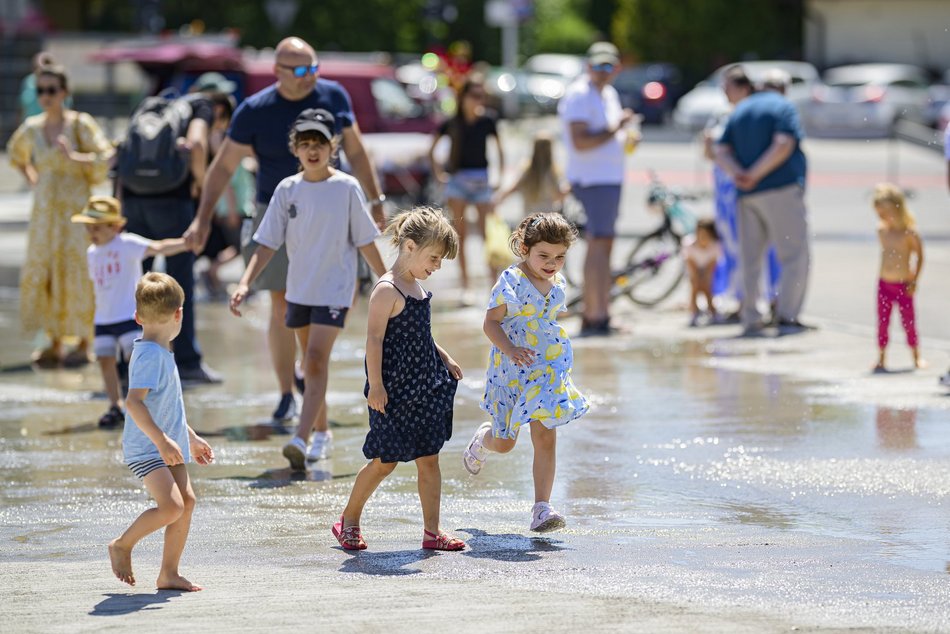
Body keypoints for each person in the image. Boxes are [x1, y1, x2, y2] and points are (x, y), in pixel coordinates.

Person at [186, 36, 387, 423]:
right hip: (276, 210)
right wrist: (203, 216)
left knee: (338, 300)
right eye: (299, 70)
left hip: (331, 209)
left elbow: (357, 151)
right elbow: (223, 168)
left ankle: (310, 368)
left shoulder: (334, 96)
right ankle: (286, 393)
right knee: (282, 304)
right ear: (277, 72)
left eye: (313, 67)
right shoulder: (254, 110)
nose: (310, 76)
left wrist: (375, 202)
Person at [229, 108, 387, 470]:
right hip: (298, 290)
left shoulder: (346, 188)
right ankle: (322, 432)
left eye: (319, 143)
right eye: (305, 144)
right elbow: (266, 243)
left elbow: (365, 240)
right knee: (310, 366)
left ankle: (301, 438)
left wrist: (387, 280)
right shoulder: (287, 190)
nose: (312, 150)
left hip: (335, 290)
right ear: (295, 149)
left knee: (315, 360)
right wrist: (244, 282)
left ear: (332, 147)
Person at [333, 207, 465, 551]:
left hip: (424, 387)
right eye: (434, 258)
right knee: (384, 461)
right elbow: (373, 340)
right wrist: (375, 386)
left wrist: (444, 356)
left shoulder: (416, 286)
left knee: (429, 458)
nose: (437, 266)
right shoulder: (387, 290)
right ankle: (348, 520)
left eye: (440, 261)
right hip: (392, 391)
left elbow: (420, 334)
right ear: (409, 246)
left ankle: (432, 532)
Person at [462, 212, 590, 532]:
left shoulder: (557, 282)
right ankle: (482, 439)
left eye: (559, 257)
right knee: (505, 443)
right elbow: (490, 323)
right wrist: (510, 349)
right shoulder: (511, 281)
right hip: (511, 369)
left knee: (545, 434)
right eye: (544, 255)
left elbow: (545, 320)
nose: (552, 263)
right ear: (524, 248)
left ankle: (541, 508)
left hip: (546, 369)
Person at [107, 272, 215, 591]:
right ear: (179, 313)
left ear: (138, 316)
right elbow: (134, 403)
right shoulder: (150, 355)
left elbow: (168, 407)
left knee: (187, 501)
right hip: (148, 448)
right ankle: (122, 545)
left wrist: (189, 437)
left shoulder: (160, 352)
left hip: (168, 444)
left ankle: (168, 573)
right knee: (172, 507)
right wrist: (162, 440)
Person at [7, 63, 114, 367]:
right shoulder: (32, 127)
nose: (46, 96)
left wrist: (74, 157)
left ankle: (84, 341)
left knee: (79, 270)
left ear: (64, 92)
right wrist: (32, 176)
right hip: (45, 213)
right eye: (41, 90)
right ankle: (53, 341)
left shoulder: (81, 124)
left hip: (77, 211)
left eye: (52, 90)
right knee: (48, 271)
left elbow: (106, 156)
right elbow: (16, 153)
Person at [119, 79, 220, 384]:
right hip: (172, 202)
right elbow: (198, 144)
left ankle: (127, 364)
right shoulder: (201, 107)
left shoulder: (151, 105)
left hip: (135, 201)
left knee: (136, 284)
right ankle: (188, 361)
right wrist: (200, 187)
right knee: (180, 282)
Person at [71, 196, 190, 428]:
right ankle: (115, 406)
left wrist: (186, 243)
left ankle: (145, 405)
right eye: (88, 227)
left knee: (136, 361)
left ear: (115, 226)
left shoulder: (127, 244)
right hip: (103, 318)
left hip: (128, 315)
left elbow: (158, 247)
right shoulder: (92, 252)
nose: (91, 232)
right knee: (106, 360)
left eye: (96, 227)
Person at [715, 64, 811, 336]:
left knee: (750, 258)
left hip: (746, 196)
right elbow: (783, 144)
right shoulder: (783, 107)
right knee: (793, 255)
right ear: (783, 88)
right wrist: (756, 173)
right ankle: (787, 316)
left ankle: (751, 317)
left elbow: (720, 150)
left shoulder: (741, 109)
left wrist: (740, 174)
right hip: (780, 190)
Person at [558, 41, 635, 336]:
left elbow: (607, 135)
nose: (603, 71)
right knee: (598, 245)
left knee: (605, 244)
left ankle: (602, 311)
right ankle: (594, 314)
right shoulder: (579, 95)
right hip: (592, 180)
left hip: (608, 178)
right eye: (598, 66)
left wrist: (625, 137)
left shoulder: (609, 93)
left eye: (609, 66)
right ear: (588, 66)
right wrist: (617, 128)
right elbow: (581, 141)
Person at [703, 66, 780, 319]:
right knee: (732, 245)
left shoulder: (754, 114)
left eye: (729, 86)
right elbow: (710, 153)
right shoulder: (721, 114)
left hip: (745, 186)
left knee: (759, 245)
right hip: (724, 190)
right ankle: (741, 298)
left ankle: (768, 298)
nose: (724, 91)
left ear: (743, 88)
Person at [428, 75, 505, 302]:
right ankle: (466, 286)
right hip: (458, 179)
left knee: (487, 234)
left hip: (481, 179)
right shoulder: (452, 122)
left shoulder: (488, 120)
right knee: (459, 235)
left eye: (482, 96)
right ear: (463, 97)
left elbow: (500, 149)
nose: (478, 100)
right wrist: (438, 175)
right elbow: (431, 149)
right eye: (474, 95)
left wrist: (499, 176)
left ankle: (494, 285)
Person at [198, 91, 252, 300]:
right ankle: (213, 271)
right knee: (241, 247)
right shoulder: (218, 140)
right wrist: (230, 209)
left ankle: (214, 273)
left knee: (239, 246)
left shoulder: (219, 138)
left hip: (232, 205)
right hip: (233, 206)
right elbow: (227, 179)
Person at [872, 184, 924, 371]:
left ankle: (916, 356)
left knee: (909, 321)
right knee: (883, 322)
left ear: (897, 208)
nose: (882, 218)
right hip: (884, 283)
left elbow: (919, 256)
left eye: (884, 213)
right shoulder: (882, 231)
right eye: (879, 214)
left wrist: (914, 279)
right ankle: (881, 357)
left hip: (903, 284)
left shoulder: (910, 233)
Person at [493, 132, 568, 216]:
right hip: (549, 218)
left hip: (529, 217)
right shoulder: (554, 171)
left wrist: (498, 199)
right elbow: (560, 194)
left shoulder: (527, 170)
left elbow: (513, 188)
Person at [683, 219, 723, 327]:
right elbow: (690, 263)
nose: (702, 238)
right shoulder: (689, 244)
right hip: (693, 270)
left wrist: (706, 276)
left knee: (707, 288)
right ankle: (694, 311)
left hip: (709, 272)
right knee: (695, 287)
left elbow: (712, 265)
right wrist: (697, 276)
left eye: (705, 236)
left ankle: (712, 310)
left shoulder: (715, 247)